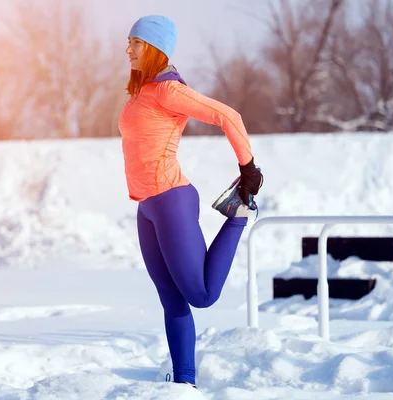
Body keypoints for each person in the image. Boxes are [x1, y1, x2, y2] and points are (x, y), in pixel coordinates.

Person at [117, 15, 263, 388]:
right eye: (129, 42)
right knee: (171, 298)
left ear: (154, 48)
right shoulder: (143, 90)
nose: (128, 49)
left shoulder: (169, 91)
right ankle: (184, 385)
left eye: (135, 42)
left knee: (200, 295)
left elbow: (228, 116)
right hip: (147, 207)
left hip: (171, 201)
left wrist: (248, 168)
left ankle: (238, 213)